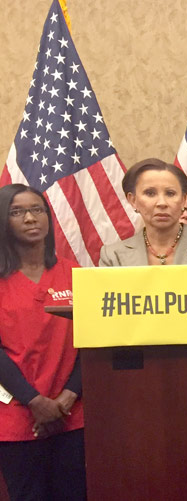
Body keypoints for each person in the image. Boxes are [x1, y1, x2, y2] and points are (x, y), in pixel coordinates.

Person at [0, 184, 85, 501]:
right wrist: (36, 402)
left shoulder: (73, 273)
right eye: (17, 212)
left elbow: (91, 342)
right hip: (17, 419)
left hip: (71, 415)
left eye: (37, 209)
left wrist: (66, 398)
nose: (30, 218)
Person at [100, 159, 187, 266]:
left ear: (183, 200)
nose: (162, 203)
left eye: (170, 193)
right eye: (150, 193)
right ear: (133, 200)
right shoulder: (113, 256)